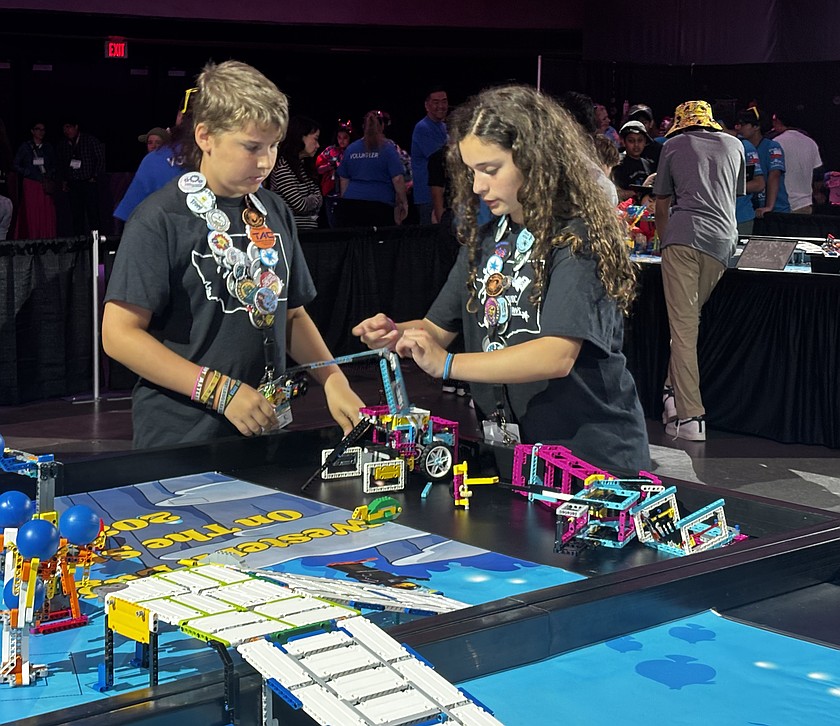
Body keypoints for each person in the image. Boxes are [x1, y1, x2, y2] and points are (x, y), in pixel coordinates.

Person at [353, 85, 649, 476]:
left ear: (535, 160)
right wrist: (397, 334)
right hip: (517, 458)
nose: (478, 187)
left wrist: (447, 364)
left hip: (591, 459)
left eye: (491, 170)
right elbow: (435, 329)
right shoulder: (487, 239)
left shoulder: (578, 238)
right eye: (472, 171)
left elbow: (556, 355)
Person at [102, 60, 363, 449]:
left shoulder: (274, 210)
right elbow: (118, 335)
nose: (265, 161)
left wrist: (333, 378)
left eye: (273, 146)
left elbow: (290, 313)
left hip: (263, 427)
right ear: (205, 136)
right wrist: (218, 391)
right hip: (179, 437)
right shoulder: (159, 218)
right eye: (252, 146)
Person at [653, 100, 745, 442]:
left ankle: (691, 416)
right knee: (688, 322)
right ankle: (670, 394)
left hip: (683, 240)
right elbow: (732, 195)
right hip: (723, 242)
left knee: (684, 328)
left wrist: (664, 242)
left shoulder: (673, 145)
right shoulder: (735, 144)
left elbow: (661, 201)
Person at [114, 90, 196, 223]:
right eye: (150, 142)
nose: (153, 145)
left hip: (165, 239)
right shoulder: (233, 161)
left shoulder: (154, 161)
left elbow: (131, 216)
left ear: (180, 117)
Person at [336, 110, 408, 228]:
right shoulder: (388, 149)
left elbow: (343, 178)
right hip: (380, 204)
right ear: (382, 126)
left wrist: (346, 200)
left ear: (363, 127)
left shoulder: (351, 149)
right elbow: (398, 179)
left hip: (352, 205)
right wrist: (403, 203)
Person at [267, 115, 322, 230]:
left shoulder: (305, 166)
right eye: (315, 139)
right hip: (292, 232)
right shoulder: (283, 168)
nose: (318, 145)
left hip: (310, 231)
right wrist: (314, 200)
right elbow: (300, 205)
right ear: (301, 137)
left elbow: (320, 198)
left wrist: (312, 200)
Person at [734, 107, 790, 217]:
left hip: (775, 209)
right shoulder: (741, 147)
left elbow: (774, 176)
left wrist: (769, 207)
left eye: (743, 124)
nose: (738, 128)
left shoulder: (772, 147)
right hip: (752, 208)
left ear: (756, 126)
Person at [58, 120, 106, 234]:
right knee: (76, 215)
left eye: (69, 127)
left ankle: (96, 242)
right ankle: (78, 242)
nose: (66, 131)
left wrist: (94, 176)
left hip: (88, 182)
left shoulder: (89, 140)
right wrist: (64, 180)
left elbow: (100, 158)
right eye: (64, 128)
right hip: (73, 183)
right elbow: (62, 163)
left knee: (93, 213)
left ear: (76, 127)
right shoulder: (64, 144)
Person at [770, 110, 822, 214]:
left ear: (778, 122)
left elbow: (772, 174)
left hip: (784, 204)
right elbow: (818, 174)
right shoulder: (810, 142)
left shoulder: (776, 142)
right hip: (806, 204)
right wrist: (816, 193)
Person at [411, 86, 448, 224]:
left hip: (442, 194)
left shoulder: (443, 127)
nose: (441, 106)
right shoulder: (423, 128)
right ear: (427, 105)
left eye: (444, 101)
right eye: (436, 102)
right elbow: (441, 159)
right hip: (428, 196)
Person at [13, 121, 57, 239]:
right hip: (31, 183)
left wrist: (50, 174)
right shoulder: (25, 147)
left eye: (43, 130)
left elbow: (54, 164)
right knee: (31, 211)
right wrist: (26, 172)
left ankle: (46, 236)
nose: (41, 132)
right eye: (38, 129)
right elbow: (15, 164)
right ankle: (31, 236)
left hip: (44, 183)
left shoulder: (48, 147)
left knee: (45, 211)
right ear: (32, 131)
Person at [614, 120, 656, 201]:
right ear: (624, 142)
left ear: (645, 142)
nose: (636, 145)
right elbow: (614, 193)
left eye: (640, 140)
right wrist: (640, 191)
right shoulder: (617, 164)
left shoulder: (648, 164)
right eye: (631, 141)